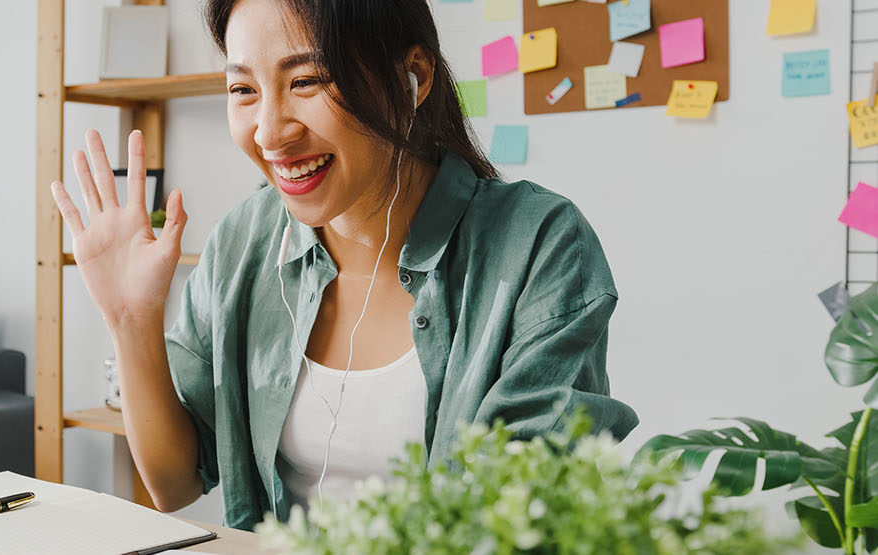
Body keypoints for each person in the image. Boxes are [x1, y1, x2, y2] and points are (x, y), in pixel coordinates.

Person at [49, 0, 638, 531]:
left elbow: (526, 521)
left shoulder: (539, 246)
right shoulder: (243, 243)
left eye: (306, 80)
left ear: (414, 76)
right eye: (243, 90)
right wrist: (130, 319)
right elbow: (174, 484)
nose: (270, 132)